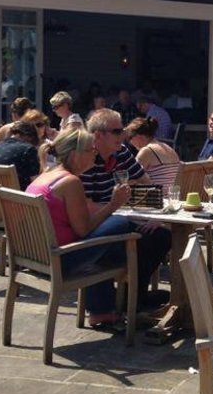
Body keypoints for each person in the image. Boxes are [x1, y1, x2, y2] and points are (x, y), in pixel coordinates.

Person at [27, 128, 134, 327]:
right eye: (91, 150)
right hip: (62, 259)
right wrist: (113, 205)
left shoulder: (45, 176)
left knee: (109, 234)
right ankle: (124, 301)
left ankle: (102, 308)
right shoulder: (71, 182)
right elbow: (83, 230)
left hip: (37, 257)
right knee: (122, 224)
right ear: (76, 155)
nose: (95, 153)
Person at [80, 109, 171, 306]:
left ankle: (134, 297)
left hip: (119, 218)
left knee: (162, 236)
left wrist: (153, 214)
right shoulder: (86, 159)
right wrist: (114, 206)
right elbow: (86, 208)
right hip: (97, 227)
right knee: (145, 242)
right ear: (98, 135)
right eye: (117, 131)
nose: (123, 135)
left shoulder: (120, 152)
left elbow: (146, 182)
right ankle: (129, 302)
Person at [125, 116, 179, 195]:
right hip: (172, 198)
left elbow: (131, 179)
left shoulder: (146, 151)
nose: (130, 143)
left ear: (139, 136)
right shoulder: (168, 148)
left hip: (158, 200)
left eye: (130, 138)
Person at [0, 120, 43, 189]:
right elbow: (35, 183)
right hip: (15, 198)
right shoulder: (28, 149)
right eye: (33, 141)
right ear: (29, 136)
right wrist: (44, 163)